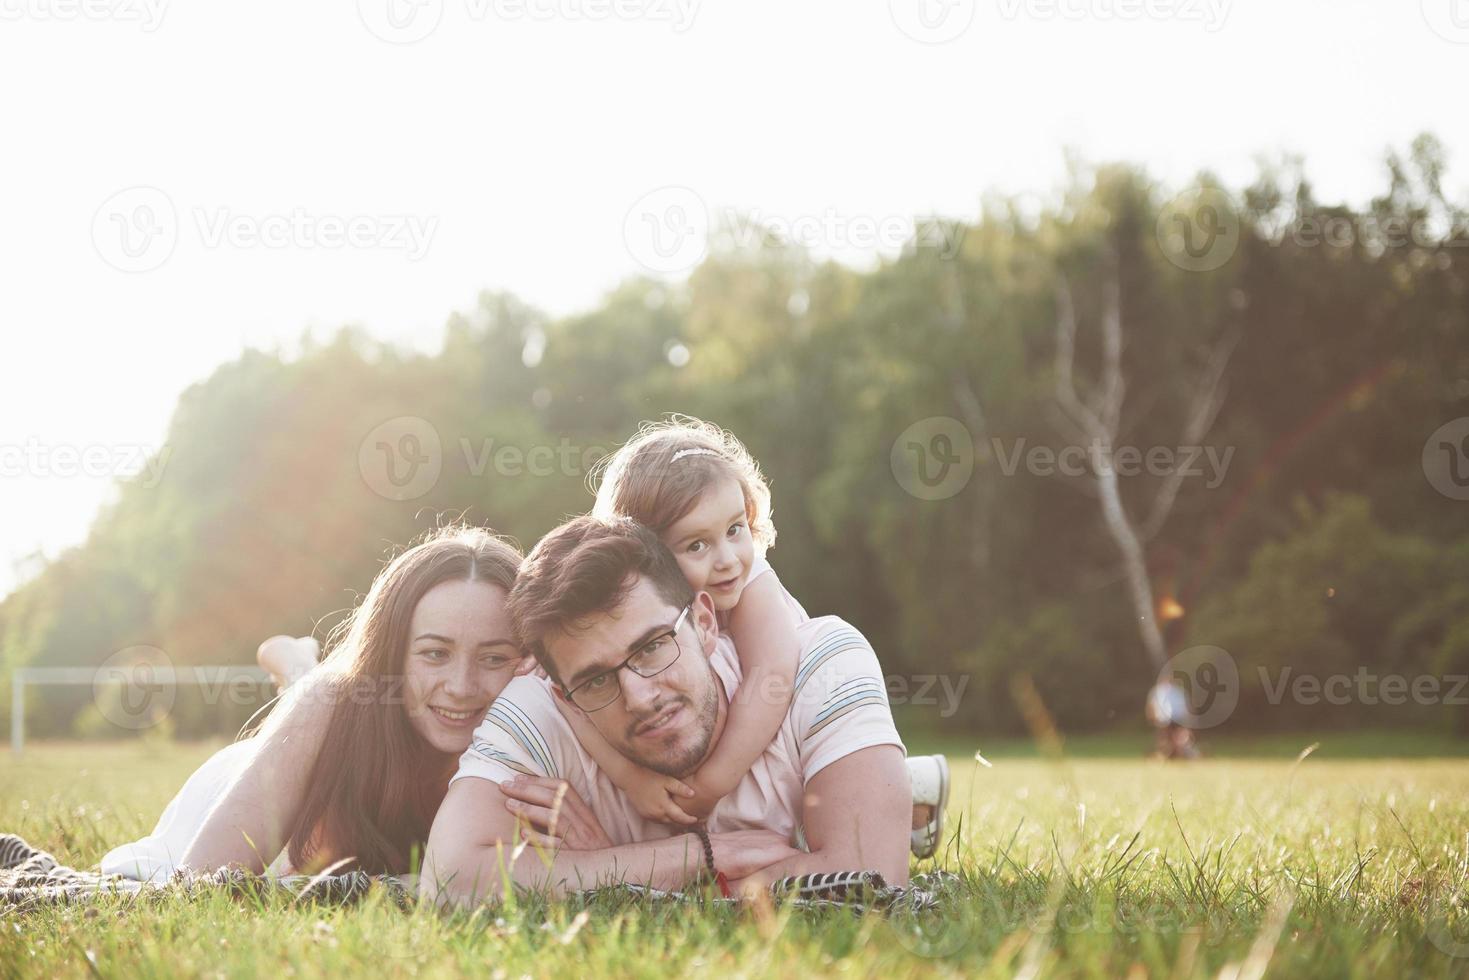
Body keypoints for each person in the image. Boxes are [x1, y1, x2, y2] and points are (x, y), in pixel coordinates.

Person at [420, 516, 915, 906]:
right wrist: (702, 856)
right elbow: (448, 883)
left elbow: (871, 876)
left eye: (653, 646)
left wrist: (610, 875)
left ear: (703, 621)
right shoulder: (537, 706)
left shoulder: (821, 661)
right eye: (596, 680)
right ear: (565, 695)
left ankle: (917, 790)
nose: (640, 696)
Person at [576, 415, 948, 855]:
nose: (728, 560)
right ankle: (911, 794)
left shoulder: (752, 583)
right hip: (734, 746)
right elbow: (572, 702)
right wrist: (631, 778)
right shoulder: (630, 618)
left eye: (735, 530)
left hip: (783, 728)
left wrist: (712, 784)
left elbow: (771, 676)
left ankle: (910, 797)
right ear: (642, 557)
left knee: (826, 803)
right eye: (696, 545)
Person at [99, 525, 526, 881]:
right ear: (391, 652)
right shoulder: (331, 706)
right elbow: (202, 880)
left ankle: (297, 666)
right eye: (435, 653)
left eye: (494, 657)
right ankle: (297, 666)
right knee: (319, 693)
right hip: (250, 773)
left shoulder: (538, 734)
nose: (461, 685)